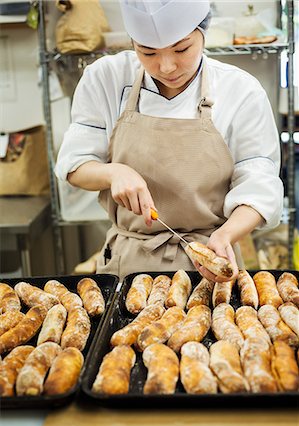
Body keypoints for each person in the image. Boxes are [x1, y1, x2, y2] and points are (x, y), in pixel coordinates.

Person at [55, 0, 283, 281]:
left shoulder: (241, 90)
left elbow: (260, 184)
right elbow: (74, 164)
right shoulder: (105, 78)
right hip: (128, 268)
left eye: (182, 48)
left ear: (203, 31)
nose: (166, 66)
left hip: (211, 262)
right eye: (147, 52)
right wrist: (113, 172)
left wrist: (226, 235)